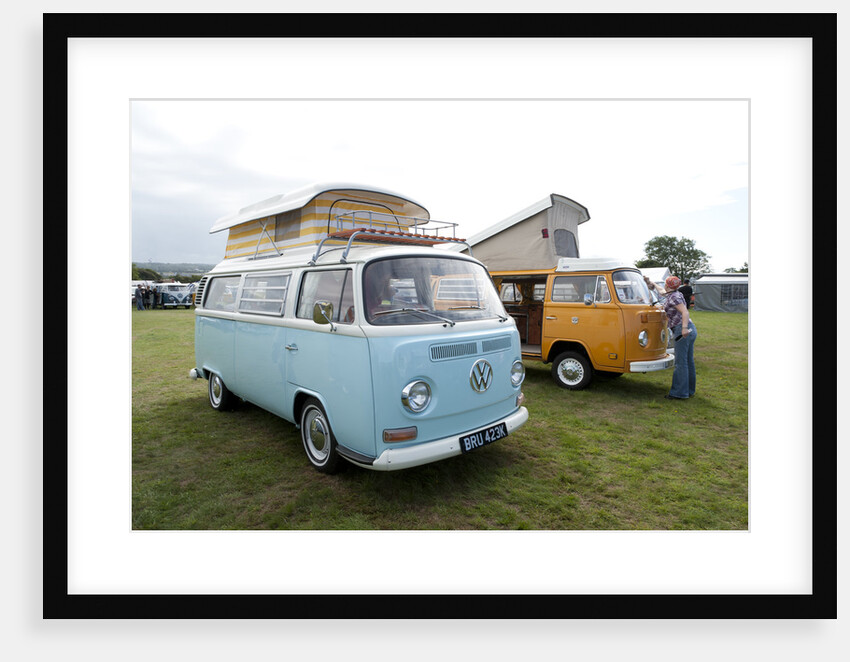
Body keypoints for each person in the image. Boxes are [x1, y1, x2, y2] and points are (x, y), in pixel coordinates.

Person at [657, 275, 697, 400]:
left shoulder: (674, 297)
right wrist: (652, 284)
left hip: (682, 330)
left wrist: (684, 328)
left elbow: (685, 312)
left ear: (668, 285)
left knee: (681, 363)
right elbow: (662, 292)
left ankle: (679, 393)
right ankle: (689, 390)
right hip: (691, 329)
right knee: (688, 361)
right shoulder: (675, 293)